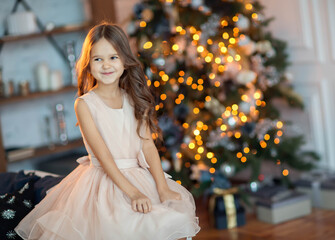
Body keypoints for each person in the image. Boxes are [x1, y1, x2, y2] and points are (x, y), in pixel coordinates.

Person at [15, 22, 200, 240]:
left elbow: (147, 145)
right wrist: (133, 193)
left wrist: (161, 186)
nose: (106, 65)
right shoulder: (85, 105)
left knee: (165, 220)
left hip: (141, 176)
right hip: (106, 181)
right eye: (98, 59)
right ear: (88, 64)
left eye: (113, 57)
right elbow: (105, 158)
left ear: (124, 60)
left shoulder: (133, 98)